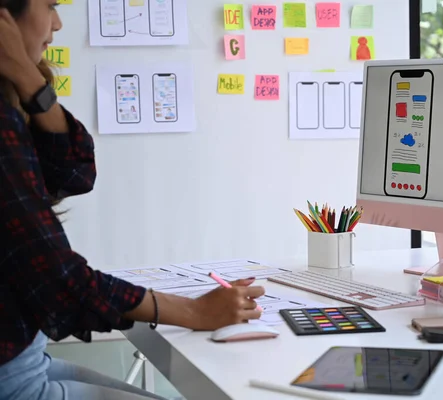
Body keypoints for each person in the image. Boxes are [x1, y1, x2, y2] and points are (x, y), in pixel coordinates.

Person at [0, 1, 265, 399]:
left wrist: (26, 77)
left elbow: (74, 170)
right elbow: (57, 278)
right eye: (51, 5)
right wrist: (194, 312)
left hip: (26, 361)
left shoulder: (13, 102)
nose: (56, 22)